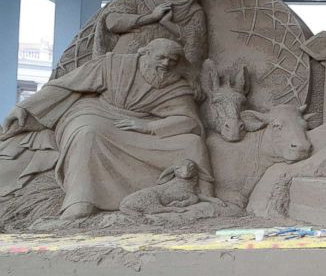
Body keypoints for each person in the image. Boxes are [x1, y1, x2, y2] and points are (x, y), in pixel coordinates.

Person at [0, 39, 212, 220]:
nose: (166, 64)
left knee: (191, 143)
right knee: (87, 132)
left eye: (172, 61)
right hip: (97, 113)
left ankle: (204, 197)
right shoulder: (112, 65)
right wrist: (23, 107)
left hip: (139, 126)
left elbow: (189, 121)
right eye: (161, 58)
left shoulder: (176, 86)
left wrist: (149, 126)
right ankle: (81, 200)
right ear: (144, 53)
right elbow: (65, 85)